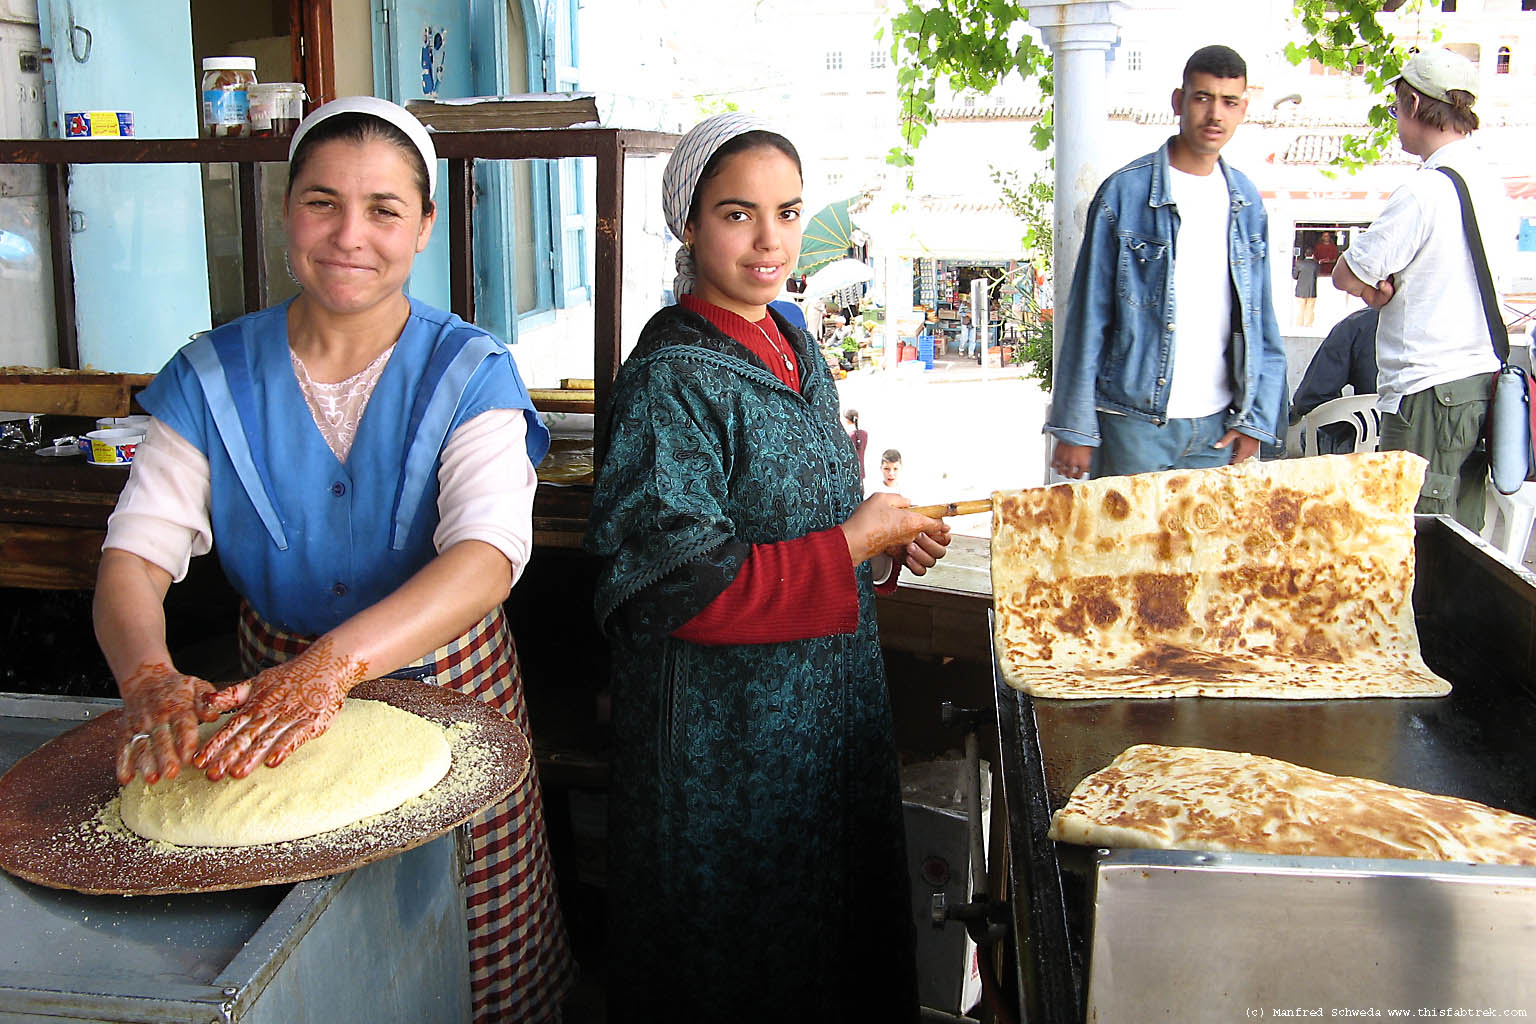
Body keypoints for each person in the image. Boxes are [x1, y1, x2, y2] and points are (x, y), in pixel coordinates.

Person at [91, 97, 574, 1023]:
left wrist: (335, 668)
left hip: (453, 684)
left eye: (385, 209)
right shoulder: (210, 376)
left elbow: (485, 556)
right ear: (286, 213)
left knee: (477, 934)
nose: (351, 235)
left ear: (424, 227)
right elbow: (134, 557)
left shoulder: (470, 371)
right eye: (322, 203)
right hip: (272, 690)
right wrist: (147, 675)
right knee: (318, 951)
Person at [584, 112, 950, 1021]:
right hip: (723, 743)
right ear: (690, 225)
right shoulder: (672, 380)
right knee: (734, 955)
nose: (769, 241)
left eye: (787, 213)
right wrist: (848, 545)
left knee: (829, 938)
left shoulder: (794, 342)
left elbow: (816, 512)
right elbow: (674, 585)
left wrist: (881, 543)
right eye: (737, 214)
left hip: (822, 722)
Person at [1046, 44, 1287, 479]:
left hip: (1217, 426)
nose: (1215, 114)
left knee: (1210, 549)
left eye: (1229, 102)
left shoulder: (1246, 201)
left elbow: (1261, 322)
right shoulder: (1125, 194)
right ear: (1179, 101)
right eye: (1202, 98)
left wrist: (1255, 421)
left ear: (1243, 109)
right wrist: (1076, 428)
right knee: (1125, 547)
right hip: (1132, 424)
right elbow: (1088, 316)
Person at [1331, 48, 1504, 529]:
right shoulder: (1491, 184)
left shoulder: (1424, 191)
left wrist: (1373, 292)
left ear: (1411, 104)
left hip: (1428, 390)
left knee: (1411, 539)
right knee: (1458, 536)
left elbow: (1348, 273)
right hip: (1476, 387)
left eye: (1394, 110)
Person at [1290, 306, 1380, 454]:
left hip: (1365, 447)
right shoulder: (1430, 324)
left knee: (1310, 431)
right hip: (1424, 446)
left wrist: (1359, 424)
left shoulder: (1359, 323)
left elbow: (1310, 398)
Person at [1294, 246, 1319, 327]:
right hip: (1311, 290)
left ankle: (1299, 324)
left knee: (1300, 309)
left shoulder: (1299, 263)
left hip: (1300, 290)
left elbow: (1295, 276)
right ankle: (1308, 324)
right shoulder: (1315, 264)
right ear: (1313, 255)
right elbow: (1316, 274)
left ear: (1305, 254)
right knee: (1310, 309)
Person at [842, 407, 869, 480]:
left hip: (852, 471)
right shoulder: (864, 434)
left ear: (847, 420)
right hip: (861, 469)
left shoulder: (849, 436)